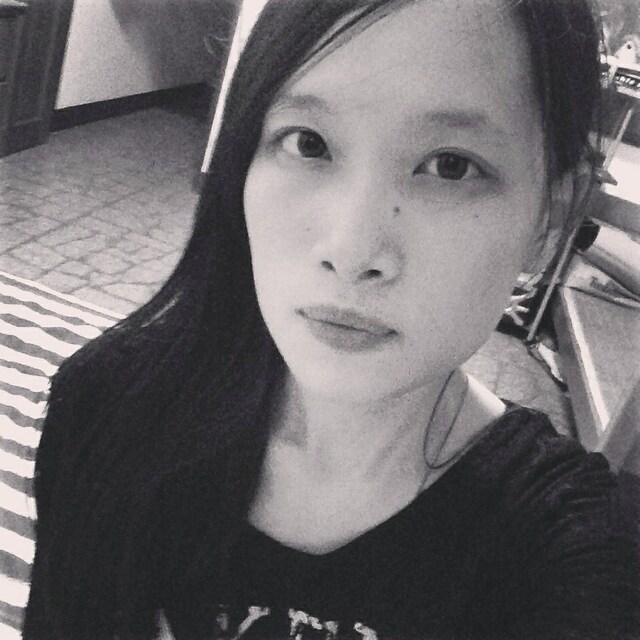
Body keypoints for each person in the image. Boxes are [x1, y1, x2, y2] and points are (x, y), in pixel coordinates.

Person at [22, 1, 639, 639]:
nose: (351, 251)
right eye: (309, 143)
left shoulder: (565, 548)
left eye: (450, 165)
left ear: (548, 222)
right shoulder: (109, 408)